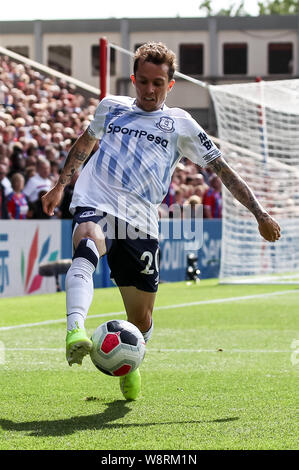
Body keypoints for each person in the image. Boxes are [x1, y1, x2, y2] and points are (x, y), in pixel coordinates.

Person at [42, 42, 281, 401]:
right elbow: (85, 142)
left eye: (158, 83)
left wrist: (259, 214)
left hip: (140, 221)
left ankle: (130, 363)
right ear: (134, 80)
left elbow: (223, 171)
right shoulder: (111, 108)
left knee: (142, 320)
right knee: (87, 246)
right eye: (143, 81)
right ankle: (75, 330)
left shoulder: (181, 124)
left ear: (170, 84)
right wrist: (61, 184)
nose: (149, 90)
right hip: (97, 200)